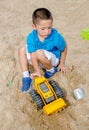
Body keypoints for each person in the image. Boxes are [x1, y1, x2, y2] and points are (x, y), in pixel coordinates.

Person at [18, 8, 68, 93]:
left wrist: (62, 63)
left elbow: (64, 48)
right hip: (38, 57)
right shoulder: (31, 37)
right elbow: (33, 55)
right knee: (22, 49)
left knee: (39, 53)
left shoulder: (55, 37)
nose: (47, 32)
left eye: (49, 28)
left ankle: (51, 70)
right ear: (34, 27)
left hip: (52, 59)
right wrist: (37, 71)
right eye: (43, 29)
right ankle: (26, 77)